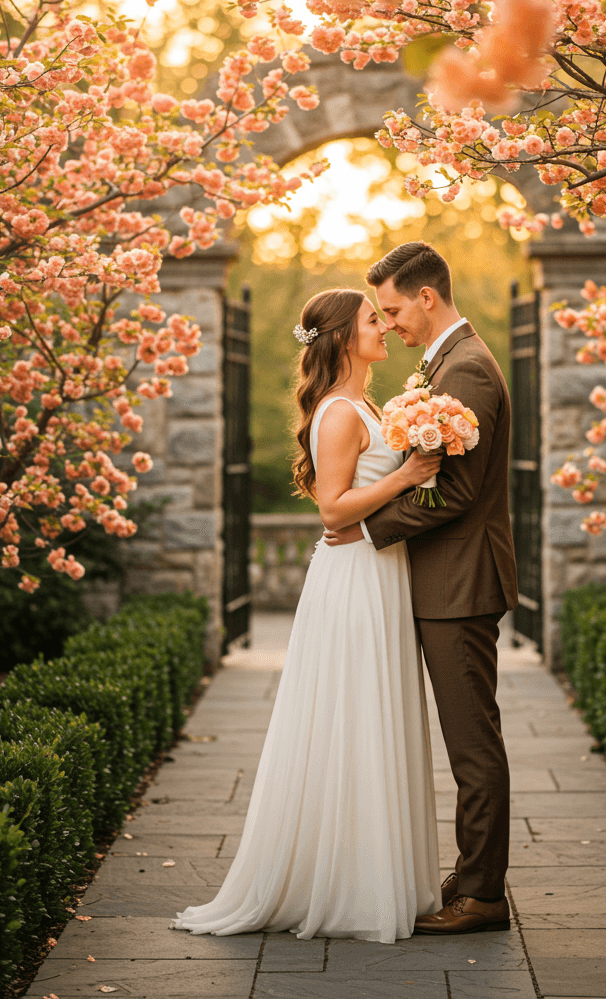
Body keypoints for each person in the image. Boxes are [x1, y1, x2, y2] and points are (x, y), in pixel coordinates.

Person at [173, 287, 444, 943]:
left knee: (374, 717)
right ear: (343, 339)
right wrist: (407, 477)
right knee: (354, 716)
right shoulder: (338, 413)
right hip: (354, 580)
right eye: (372, 320)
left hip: (379, 572)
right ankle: (347, 887)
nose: (384, 327)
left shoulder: (365, 404)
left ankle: (374, 875)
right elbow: (332, 510)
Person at [325, 242, 518, 936]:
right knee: (468, 737)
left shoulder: (464, 370)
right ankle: (472, 876)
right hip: (445, 581)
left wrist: (368, 528)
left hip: (459, 584)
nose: (390, 321)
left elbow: (457, 494)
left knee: (471, 743)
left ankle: (483, 895)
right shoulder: (448, 364)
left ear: (428, 297)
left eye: (395, 308)